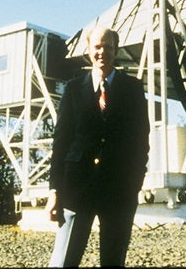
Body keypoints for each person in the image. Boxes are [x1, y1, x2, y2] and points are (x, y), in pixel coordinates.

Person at [45, 26, 150, 267]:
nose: (103, 52)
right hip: (76, 188)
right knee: (64, 260)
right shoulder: (73, 89)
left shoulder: (132, 89)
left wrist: (135, 183)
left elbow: (140, 141)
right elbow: (60, 143)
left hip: (119, 191)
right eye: (97, 47)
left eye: (108, 47)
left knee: (113, 261)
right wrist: (54, 191)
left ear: (116, 49)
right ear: (89, 50)